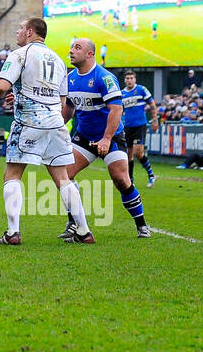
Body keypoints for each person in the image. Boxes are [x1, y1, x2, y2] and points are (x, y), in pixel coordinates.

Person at [0, 16, 90, 244]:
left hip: (29, 122)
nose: (18, 32)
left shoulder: (20, 54)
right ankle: (83, 230)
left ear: (31, 32)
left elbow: (1, 86)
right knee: (63, 178)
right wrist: (22, 96)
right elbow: (62, 101)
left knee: (12, 174)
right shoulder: (58, 60)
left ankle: (12, 233)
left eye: (20, 28)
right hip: (55, 123)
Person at [63, 37, 150, 237]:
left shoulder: (105, 77)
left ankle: (142, 225)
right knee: (65, 176)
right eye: (71, 47)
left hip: (111, 138)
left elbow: (116, 109)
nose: (71, 51)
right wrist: (59, 126)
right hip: (84, 137)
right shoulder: (69, 79)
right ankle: (74, 224)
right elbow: (68, 108)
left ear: (90, 54)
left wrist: (106, 139)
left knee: (120, 179)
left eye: (77, 47)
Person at [120, 69, 158, 188]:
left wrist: (155, 120)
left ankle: (151, 175)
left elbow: (152, 105)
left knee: (138, 152)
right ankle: (130, 181)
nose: (129, 80)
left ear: (135, 79)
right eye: (127, 78)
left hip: (140, 125)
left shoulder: (141, 89)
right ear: (124, 80)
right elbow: (120, 111)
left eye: (131, 78)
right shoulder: (122, 94)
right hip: (127, 127)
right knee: (128, 155)